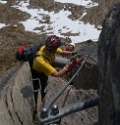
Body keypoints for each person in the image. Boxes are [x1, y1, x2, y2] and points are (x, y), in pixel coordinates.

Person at [31, 35, 78, 103]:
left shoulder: (47, 47)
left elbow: (62, 53)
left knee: (65, 62)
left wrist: (72, 53)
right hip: (39, 73)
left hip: (49, 60)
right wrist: (68, 65)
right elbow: (57, 74)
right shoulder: (41, 61)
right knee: (42, 85)